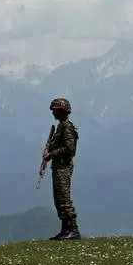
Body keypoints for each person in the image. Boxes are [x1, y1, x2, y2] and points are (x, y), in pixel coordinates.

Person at [43, 97, 81, 240]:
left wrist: (52, 154)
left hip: (63, 167)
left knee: (64, 198)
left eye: (55, 110)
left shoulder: (67, 127)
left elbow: (70, 149)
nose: (53, 113)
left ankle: (73, 229)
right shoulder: (61, 127)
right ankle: (65, 229)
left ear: (62, 111)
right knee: (58, 198)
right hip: (59, 167)